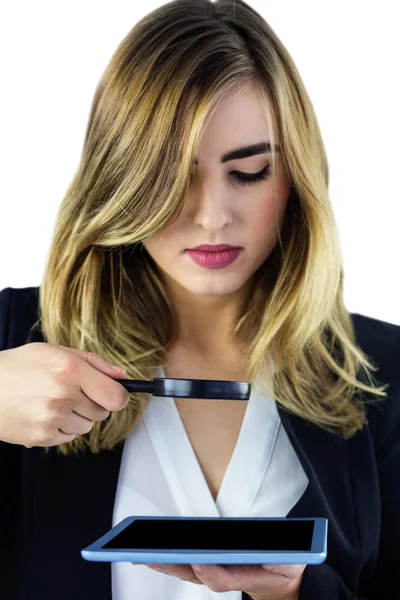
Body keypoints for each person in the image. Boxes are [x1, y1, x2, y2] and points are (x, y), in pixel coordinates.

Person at [0, 0, 399, 598]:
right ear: (122, 178)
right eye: (172, 178)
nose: (212, 217)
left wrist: (296, 594)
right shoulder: (14, 339)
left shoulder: (383, 372)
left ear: (295, 178)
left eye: (250, 172)